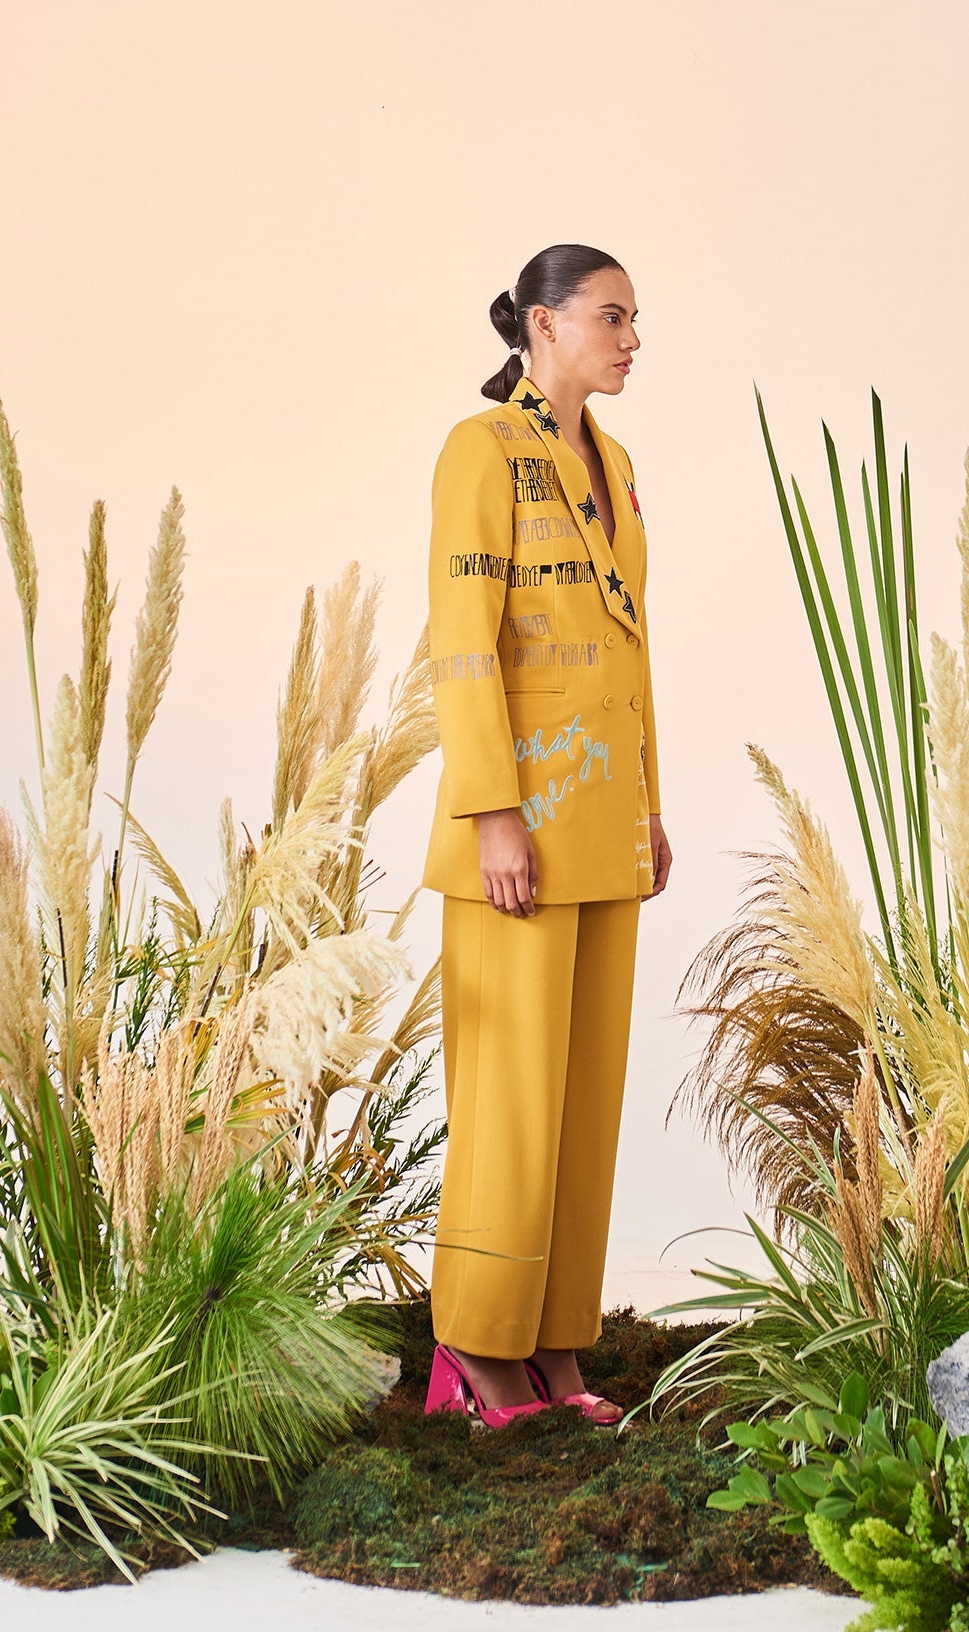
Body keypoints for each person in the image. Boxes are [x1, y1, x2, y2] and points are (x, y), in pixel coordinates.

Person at [421, 243, 672, 1429]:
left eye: (633, 318)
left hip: (602, 821)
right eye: (612, 316)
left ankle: (559, 1347)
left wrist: (648, 804)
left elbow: (630, 648)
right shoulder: (481, 451)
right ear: (542, 322)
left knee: (581, 1104)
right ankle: (478, 1353)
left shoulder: (613, 464)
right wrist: (492, 814)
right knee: (511, 1106)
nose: (632, 339)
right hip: (516, 832)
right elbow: (463, 642)